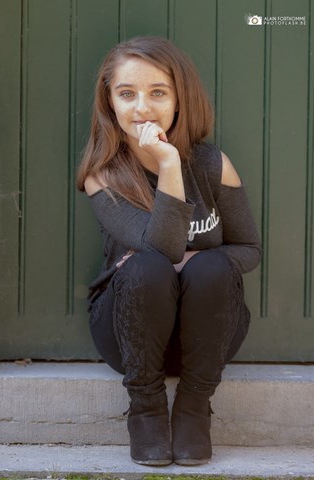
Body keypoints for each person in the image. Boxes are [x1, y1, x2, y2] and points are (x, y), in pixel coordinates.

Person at [76, 36, 261, 467]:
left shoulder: (214, 164)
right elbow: (162, 250)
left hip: (210, 337)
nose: (142, 108)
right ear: (110, 102)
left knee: (213, 266)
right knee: (148, 268)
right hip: (129, 338)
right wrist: (170, 166)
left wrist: (195, 262)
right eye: (127, 94)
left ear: (180, 98)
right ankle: (145, 412)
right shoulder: (103, 176)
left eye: (158, 92)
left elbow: (249, 249)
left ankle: (195, 408)